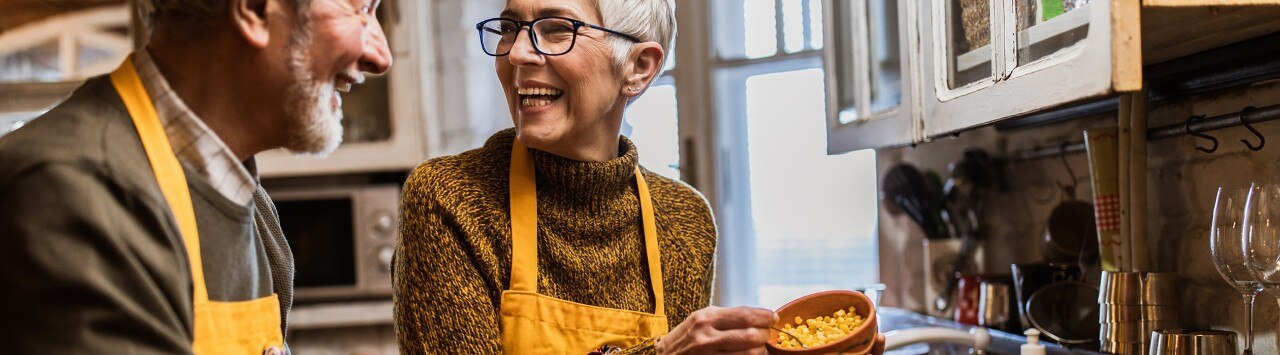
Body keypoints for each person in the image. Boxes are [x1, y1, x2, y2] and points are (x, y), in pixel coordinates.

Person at [392, 0, 884, 354]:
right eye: (510, 26)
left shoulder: (684, 221)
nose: (517, 53)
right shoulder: (449, 201)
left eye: (555, 28)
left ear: (639, 67)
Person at [0, 0, 391, 353]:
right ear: (254, 10)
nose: (381, 56)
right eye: (362, 10)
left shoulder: (244, 196)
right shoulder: (71, 191)